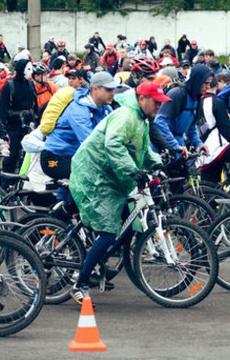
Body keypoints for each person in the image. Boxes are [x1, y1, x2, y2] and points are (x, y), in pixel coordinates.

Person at [68, 81, 167, 304]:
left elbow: (142, 149)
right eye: (156, 102)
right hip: (96, 176)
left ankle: (100, 265)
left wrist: (157, 164)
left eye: (161, 103)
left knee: (127, 225)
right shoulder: (126, 116)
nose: (158, 107)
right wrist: (134, 171)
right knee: (108, 233)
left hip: (112, 177)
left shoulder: (142, 119)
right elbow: (114, 145)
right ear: (142, 99)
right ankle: (80, 283)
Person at [41, 71, 119, 181]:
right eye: (108, 90)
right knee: (94, 174)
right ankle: (64, 197)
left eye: (113, 90)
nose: (112, 93)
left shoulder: (106, 109)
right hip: (55, 157)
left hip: (76, 156)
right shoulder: (78, 110)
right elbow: (90, 142)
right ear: (95, 89)